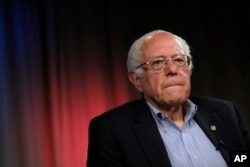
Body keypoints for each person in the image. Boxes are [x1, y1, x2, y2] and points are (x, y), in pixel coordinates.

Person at [86, 29, 250, 167]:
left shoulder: (225, 112)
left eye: (179, 60)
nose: (172, 69)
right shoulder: (111, 130)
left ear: (189, 71)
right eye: (157, 63)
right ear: (137, 80)